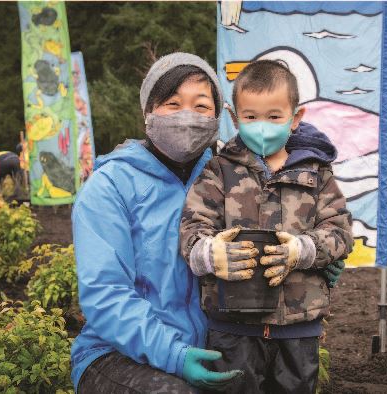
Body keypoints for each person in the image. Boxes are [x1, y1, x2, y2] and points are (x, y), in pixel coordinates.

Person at [71, 53, 244, 394]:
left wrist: (309, 260)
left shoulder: (231, 180)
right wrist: (174, 356)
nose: (186, 116)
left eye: (200, 106)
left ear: (216, 115)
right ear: (147, 113)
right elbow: (105, 294)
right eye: (172, 103)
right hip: (117, 354)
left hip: (215, 348)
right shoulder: (110, 187)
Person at [180, 60, 354, 394]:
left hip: (298, 327)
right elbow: (192, 229)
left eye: (274, 117)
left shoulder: (316, 173)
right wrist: (210, 253)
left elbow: (341, 231)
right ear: (234, 118)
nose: (263, 126)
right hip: (232, 327)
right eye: (251, 116)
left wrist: (302, 250)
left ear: (295, 118)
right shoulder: (218, 171)